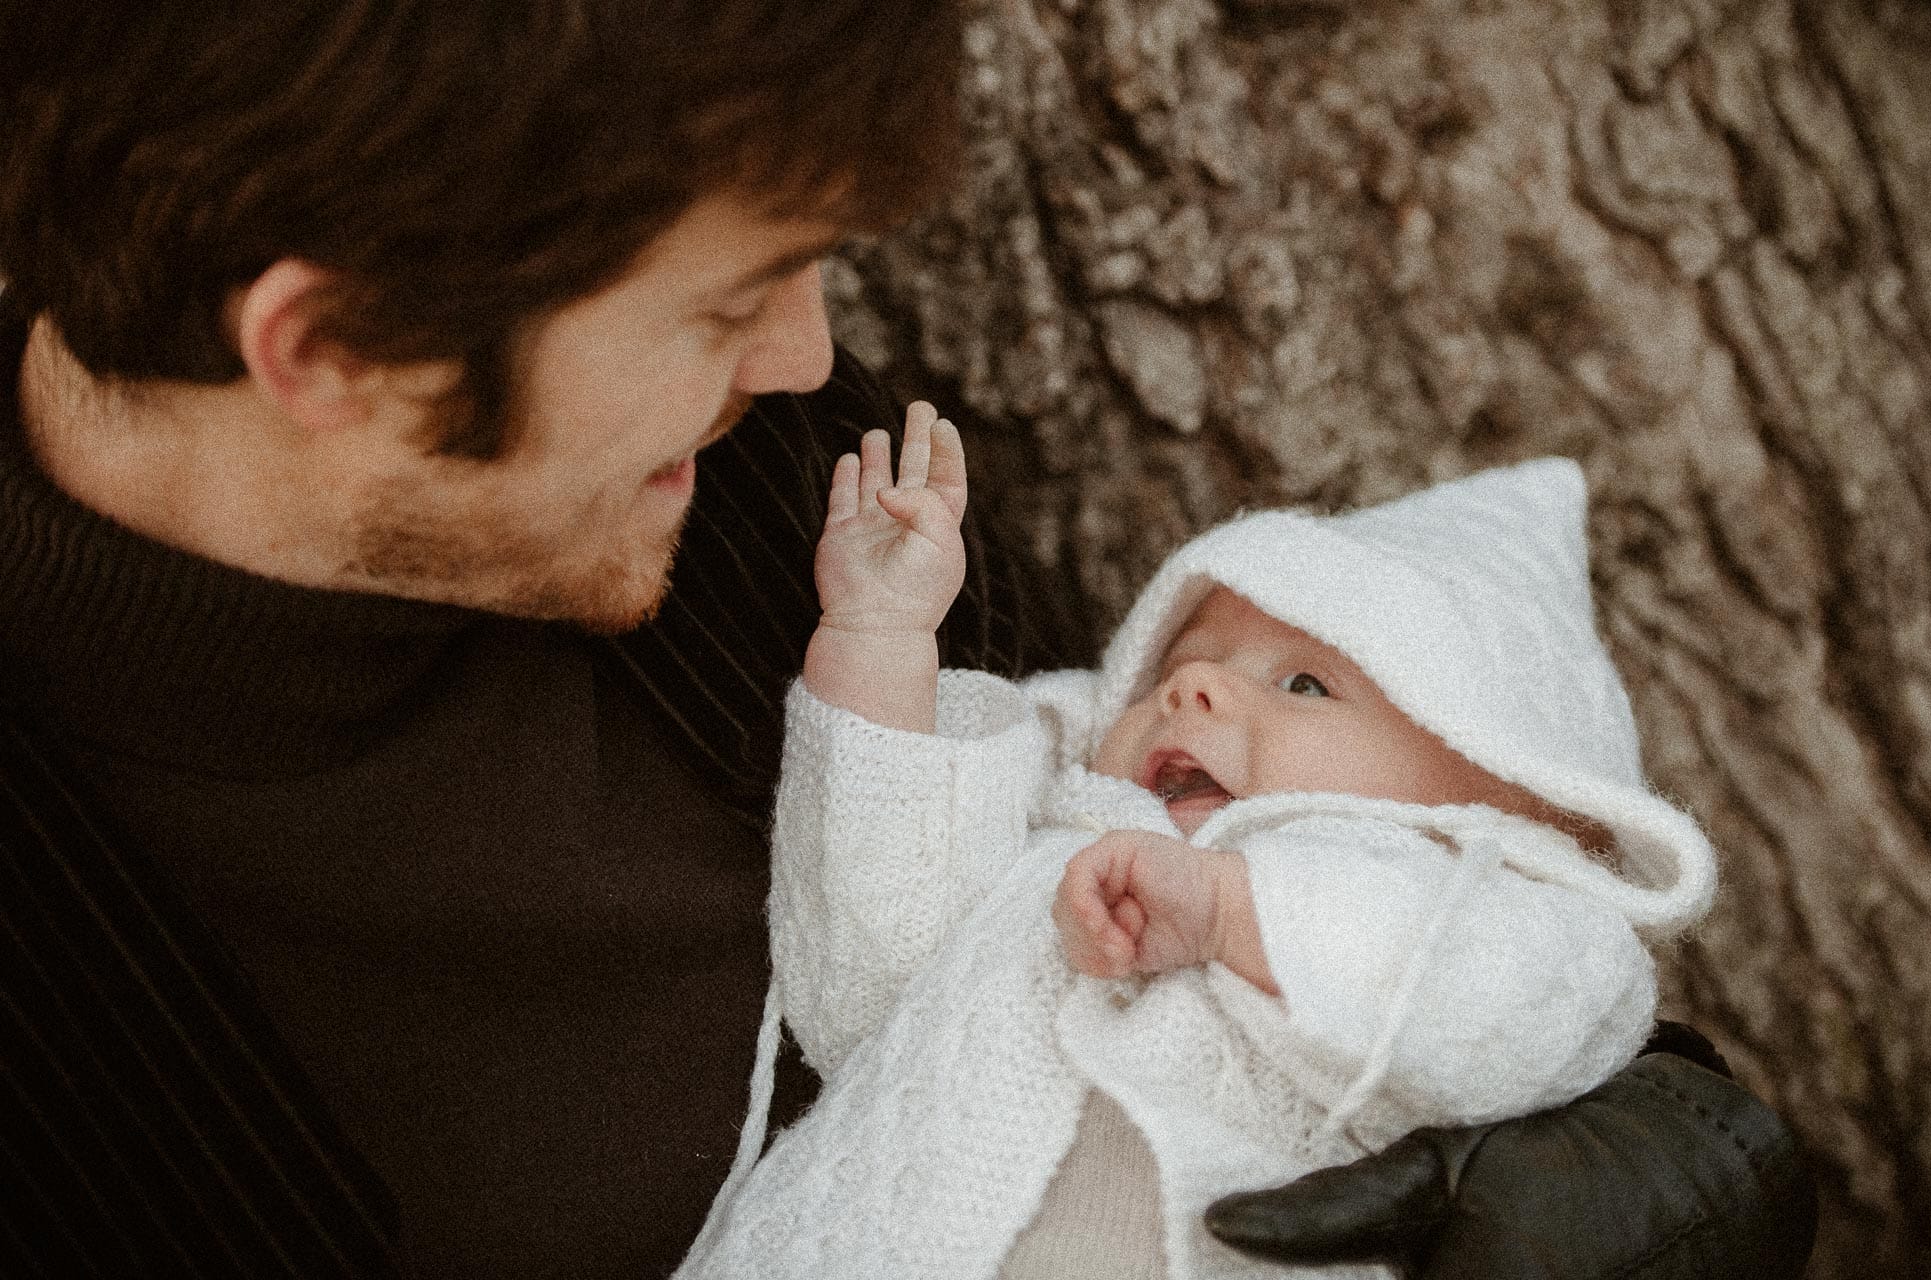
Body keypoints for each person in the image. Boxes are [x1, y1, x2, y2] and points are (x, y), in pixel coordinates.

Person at [0, 2, 1814, 1278]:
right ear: (329, 351)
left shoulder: (751, 473)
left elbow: (1302, 839)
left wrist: (1655, 1134)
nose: (804, 358)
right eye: (730, 299)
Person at [679, 414, 1720, 1279]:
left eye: (1304, 681)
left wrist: (1228, 912)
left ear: (1504, 786)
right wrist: (878, 645)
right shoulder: (1059, 837)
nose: (1193, 687)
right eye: (1176, 664)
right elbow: (859, 982)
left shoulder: (1486, 900)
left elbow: (1520, 1012)